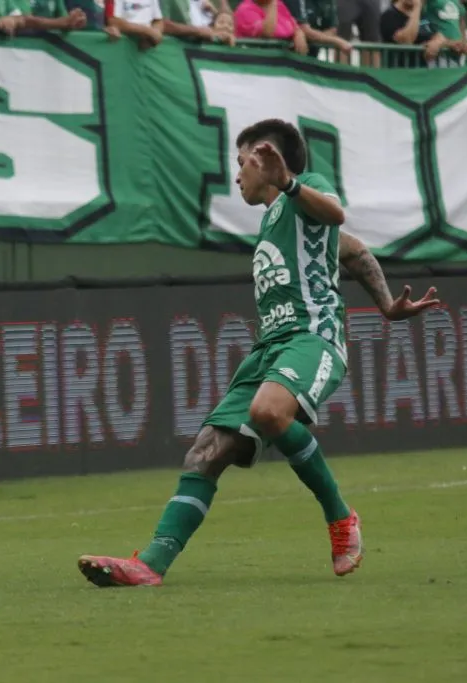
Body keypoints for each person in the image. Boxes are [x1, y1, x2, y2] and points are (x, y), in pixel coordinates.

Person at [77, 119, 440, 587]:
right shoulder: (276, 219)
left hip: (312, 336)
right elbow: (352, 252)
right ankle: (150, 564)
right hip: (268, 348)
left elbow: (335, 216)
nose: (237, 175)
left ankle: (340, 516)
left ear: (268, 160)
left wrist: (288, 181)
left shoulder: (306, 188)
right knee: (205, 453)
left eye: (242, 162)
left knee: (268, 411)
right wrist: (387, 304)